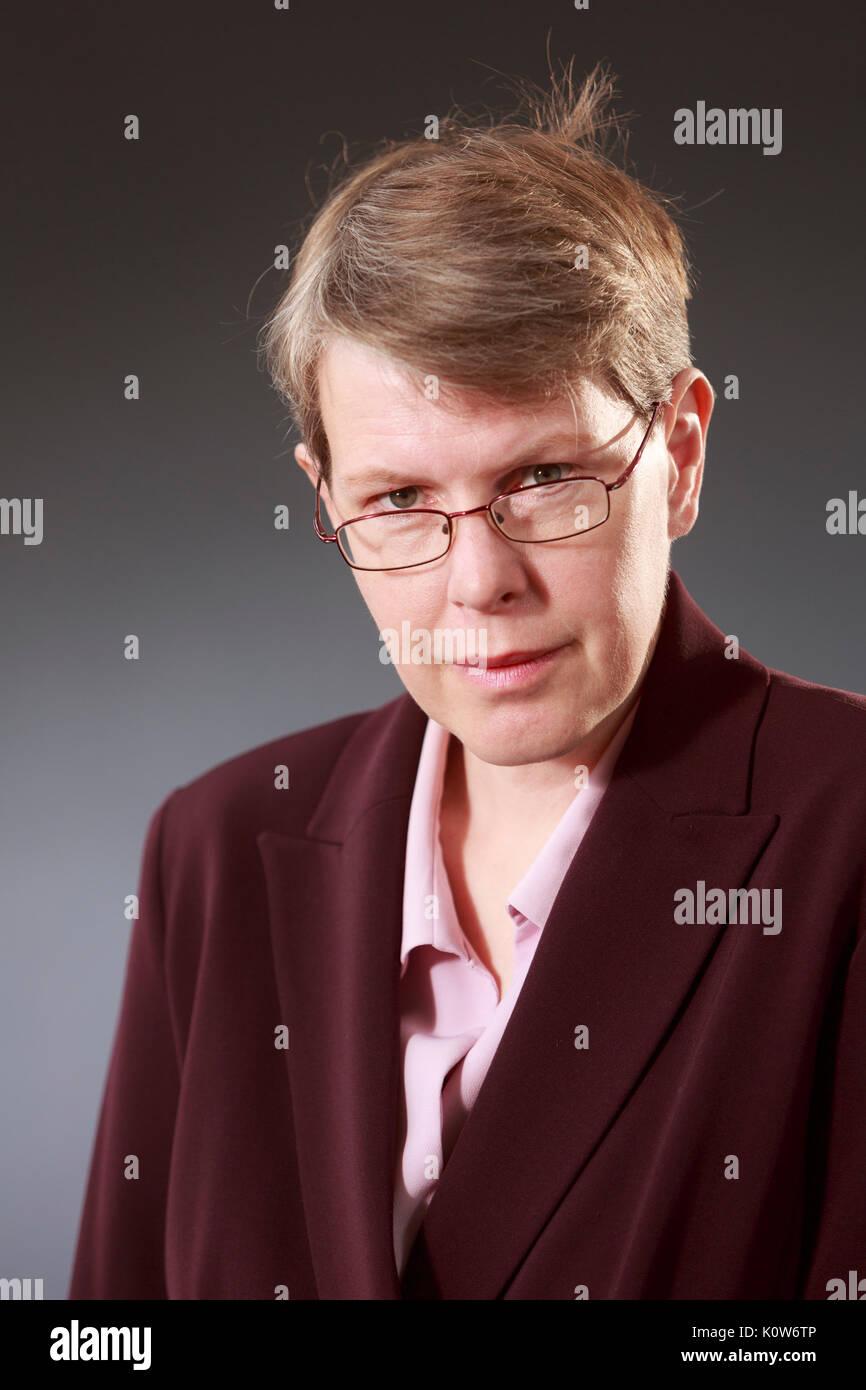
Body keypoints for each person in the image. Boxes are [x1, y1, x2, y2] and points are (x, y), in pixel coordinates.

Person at [69, 61, 866, 1300]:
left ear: (681, 453)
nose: (477, 581)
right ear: (323, 499)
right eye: (397, 500)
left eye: (544, 477)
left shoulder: (845, 833)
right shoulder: (213, 849)